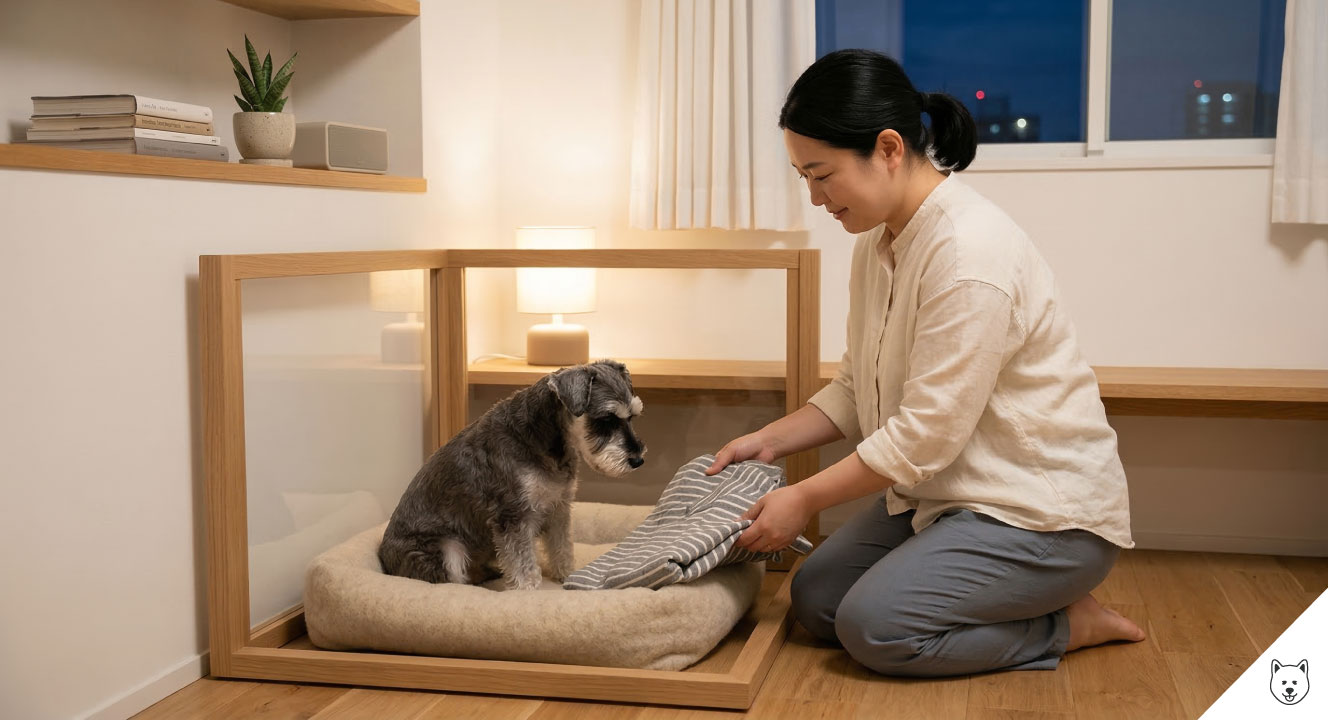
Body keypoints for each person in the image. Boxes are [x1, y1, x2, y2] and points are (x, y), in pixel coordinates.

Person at [706, 49, 1145, 678]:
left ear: (888, 148)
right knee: (816, 601)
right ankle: (1002, 598)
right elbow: (858, 389)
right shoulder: (877, 241)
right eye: (802, 176)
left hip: (1039, 514)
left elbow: (925, 435)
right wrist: (766, 442)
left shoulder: (969, 251)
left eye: (821, 174)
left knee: (874, 629)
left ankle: (1067, 622)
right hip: (946, 497)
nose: (813, 197)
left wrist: (802, 498)